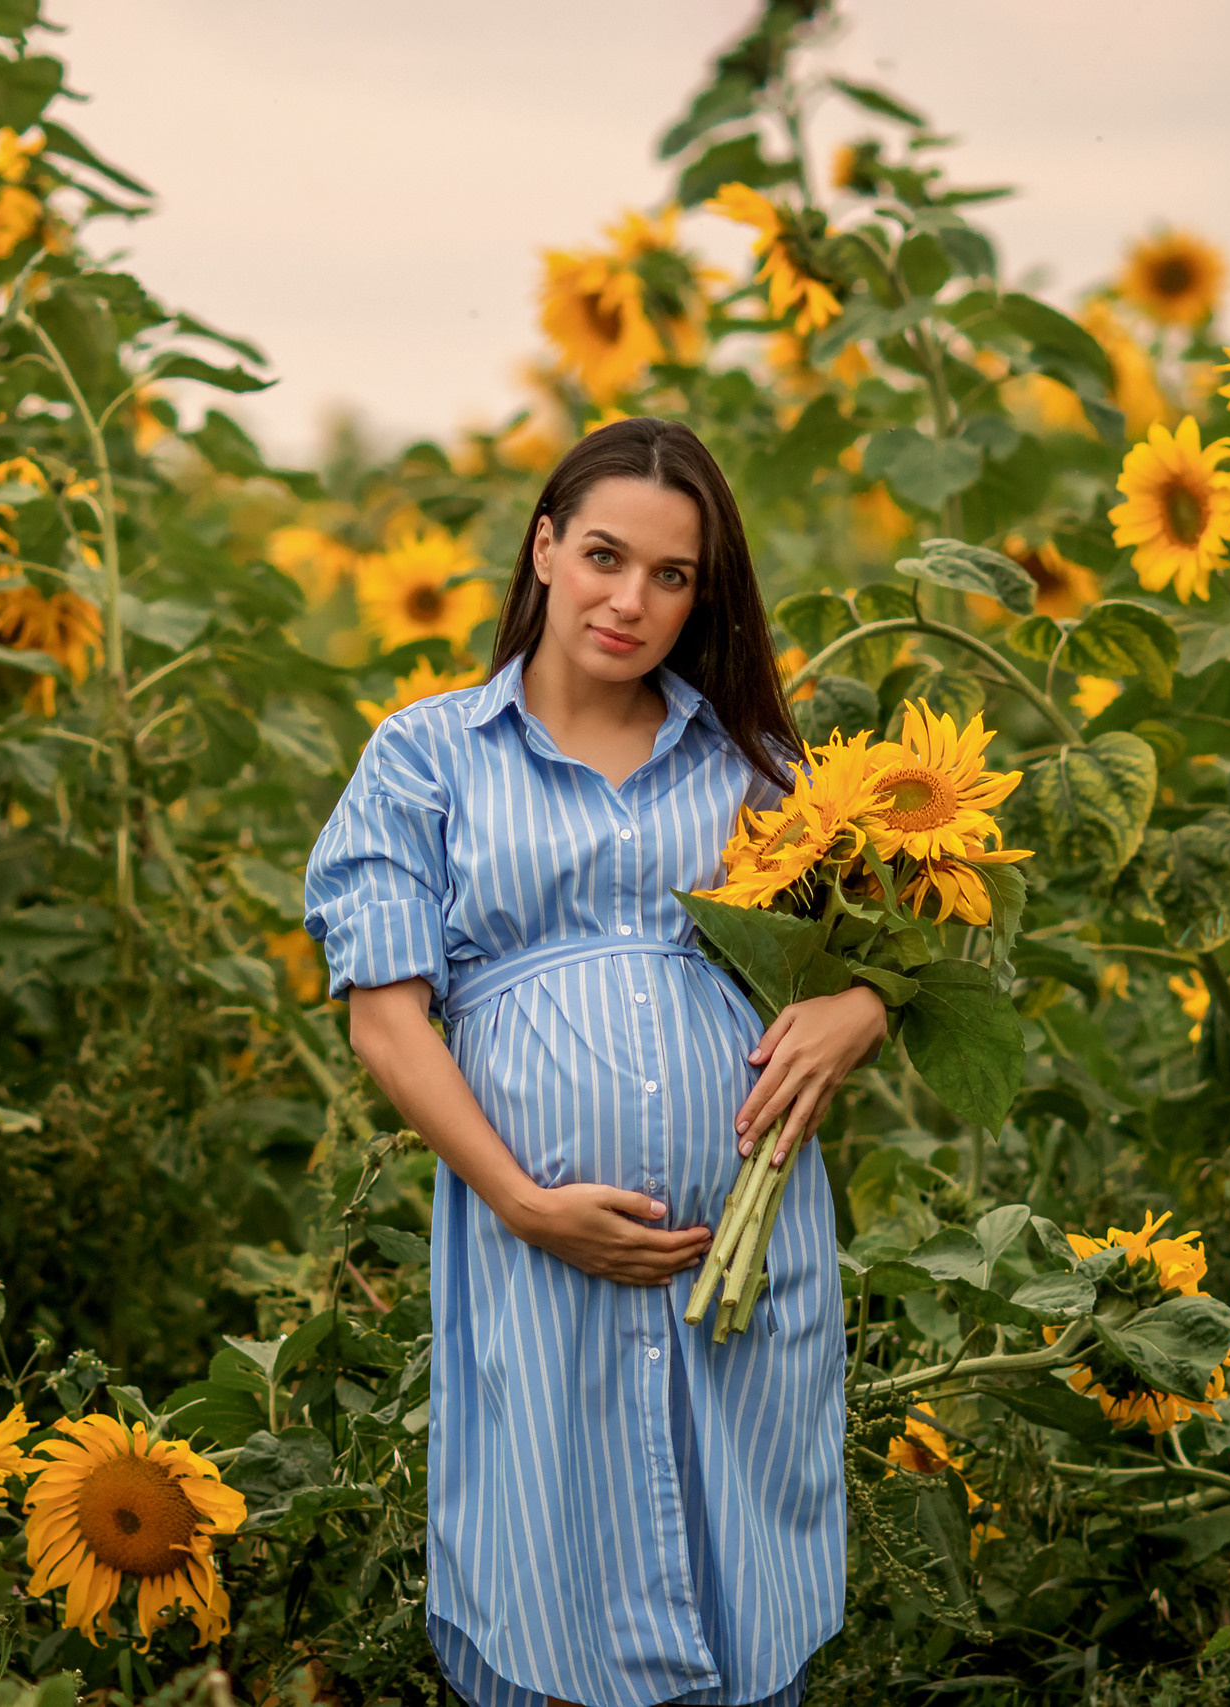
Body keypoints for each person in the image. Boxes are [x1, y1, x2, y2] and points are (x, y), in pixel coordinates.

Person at [303, 417, 883, 1707]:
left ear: (701, 595)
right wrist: (521, 1203)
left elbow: (879, 946)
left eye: (672, 576)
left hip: (743, 1252)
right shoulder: (428, 756)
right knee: (557, 1586)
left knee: (740, 1603)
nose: (632, 600)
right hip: (537, 1250)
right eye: (607, 556)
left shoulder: (756, 770)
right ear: (547, 547)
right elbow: (387, 1020)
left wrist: (860, 1014)